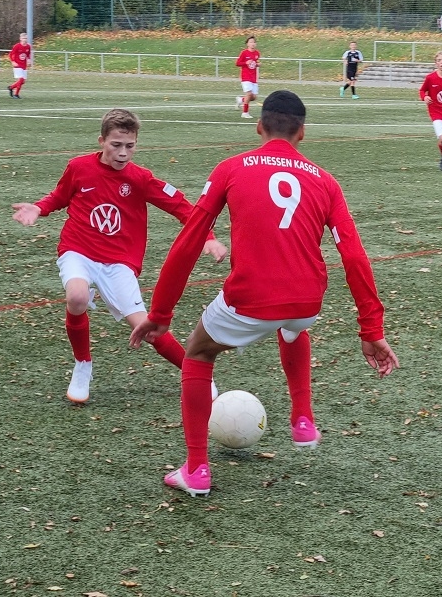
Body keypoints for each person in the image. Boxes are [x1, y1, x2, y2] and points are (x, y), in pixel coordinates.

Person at [129, 90, 399, 498]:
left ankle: (196, 469)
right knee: (293, 327)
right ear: (302, 132)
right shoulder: (326, 181)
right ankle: (303, 420)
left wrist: (161, 313)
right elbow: (354, 255)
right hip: (307, 301)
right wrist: (371, 329)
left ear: (259, 126)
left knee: (198, 353)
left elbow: (189, 241)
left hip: (250, 298)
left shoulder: (231, 168)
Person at [11, 108, 228, 404]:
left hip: (119, 262)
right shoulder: (78, 167)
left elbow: (181, 206)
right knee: (77, 296)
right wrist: (39, 207)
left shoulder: (140, 178)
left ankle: (196, 373)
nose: (123, 153)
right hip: (78, 250)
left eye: (130, 145)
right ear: (102, 141)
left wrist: (208, 237)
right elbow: (60, 196)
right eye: (116, 145)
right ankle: (83, 365)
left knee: (147, 328)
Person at [235, 35, 260, 119]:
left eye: (254, 42)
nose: (253, 44)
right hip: (246, 77)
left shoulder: (257, 53)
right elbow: (237, 63)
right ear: (247, 44)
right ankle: (245, 113)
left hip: (253, 77)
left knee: (253, 97)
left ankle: (241, 100)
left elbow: (255, 63)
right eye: (251, 42)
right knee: (249, 94)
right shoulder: (244, 53)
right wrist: (245, 62)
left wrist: (258, 64)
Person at [7, 32, 31, 98]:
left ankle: (11, 87)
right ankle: (16, 94)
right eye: (23, 38)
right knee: (21, 79)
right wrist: (13, 61)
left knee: (23, 81)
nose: (25, 40)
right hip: (17, 65)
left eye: (26, 38)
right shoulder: (17, 46)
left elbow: (28, 54)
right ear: (20, 38)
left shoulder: (28, 46)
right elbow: (11, 54)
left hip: (24, 65)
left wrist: (29, 60)